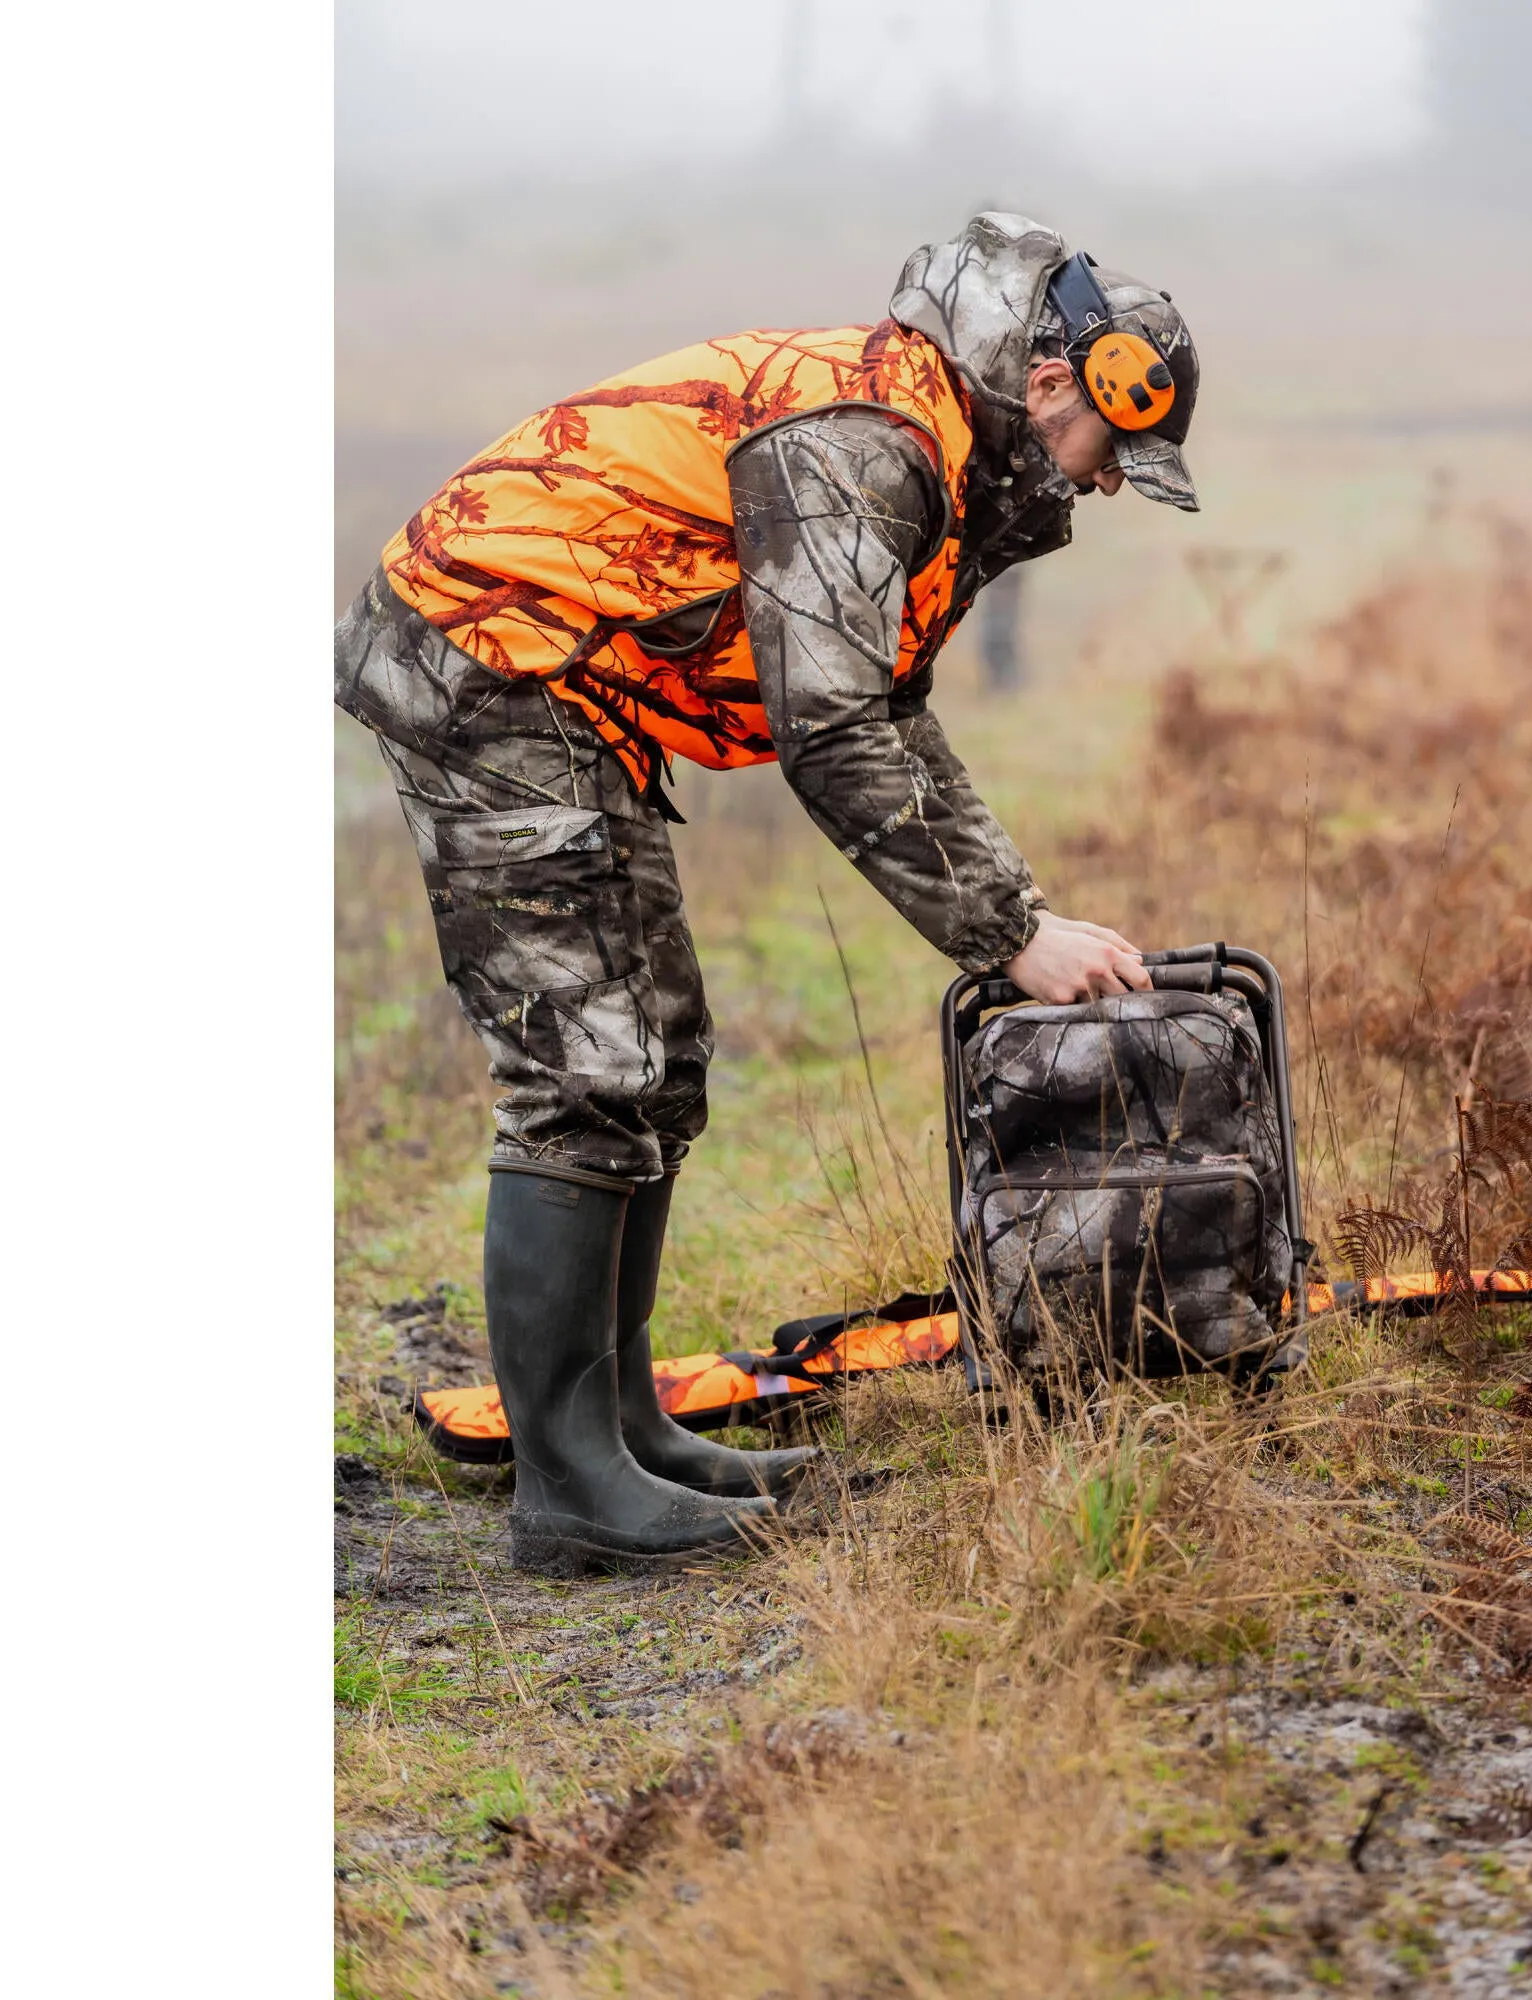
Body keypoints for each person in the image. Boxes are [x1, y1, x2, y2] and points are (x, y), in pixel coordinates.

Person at [333, 211, 1203, 1572]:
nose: (1103, 490)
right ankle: (571, 1495)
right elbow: (836, 729)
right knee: (592, 1064)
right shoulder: (867, 448)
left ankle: (625, 1433)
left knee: (657, 1056)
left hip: (567, 690)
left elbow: (889, 709)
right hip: (488, 659)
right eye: (1113, 457)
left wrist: (1022, 911)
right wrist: (1009, 939)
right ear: (1052, 388)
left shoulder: (928, 441)